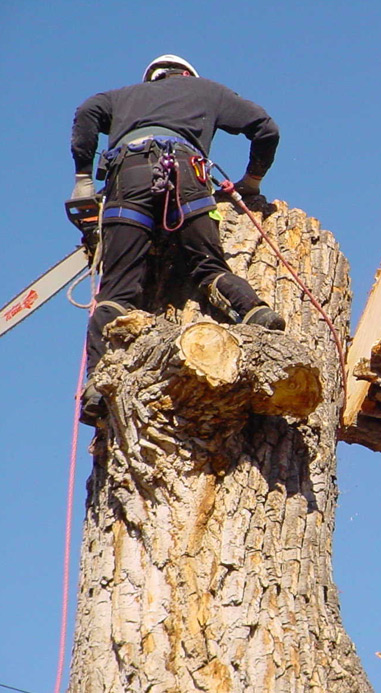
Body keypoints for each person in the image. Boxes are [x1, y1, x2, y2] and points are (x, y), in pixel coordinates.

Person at [70, 54, 284, 425]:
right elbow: (267, 129)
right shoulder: (208, 91)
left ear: (151, 78)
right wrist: (252, 182)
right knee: (209, 267)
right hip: (188, 175)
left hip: (128, 178)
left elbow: (86, 113)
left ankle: (98, 384)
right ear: (187, 75)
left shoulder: (120, 97)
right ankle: (254, 310)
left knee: (117, 292)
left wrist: (84, 179)